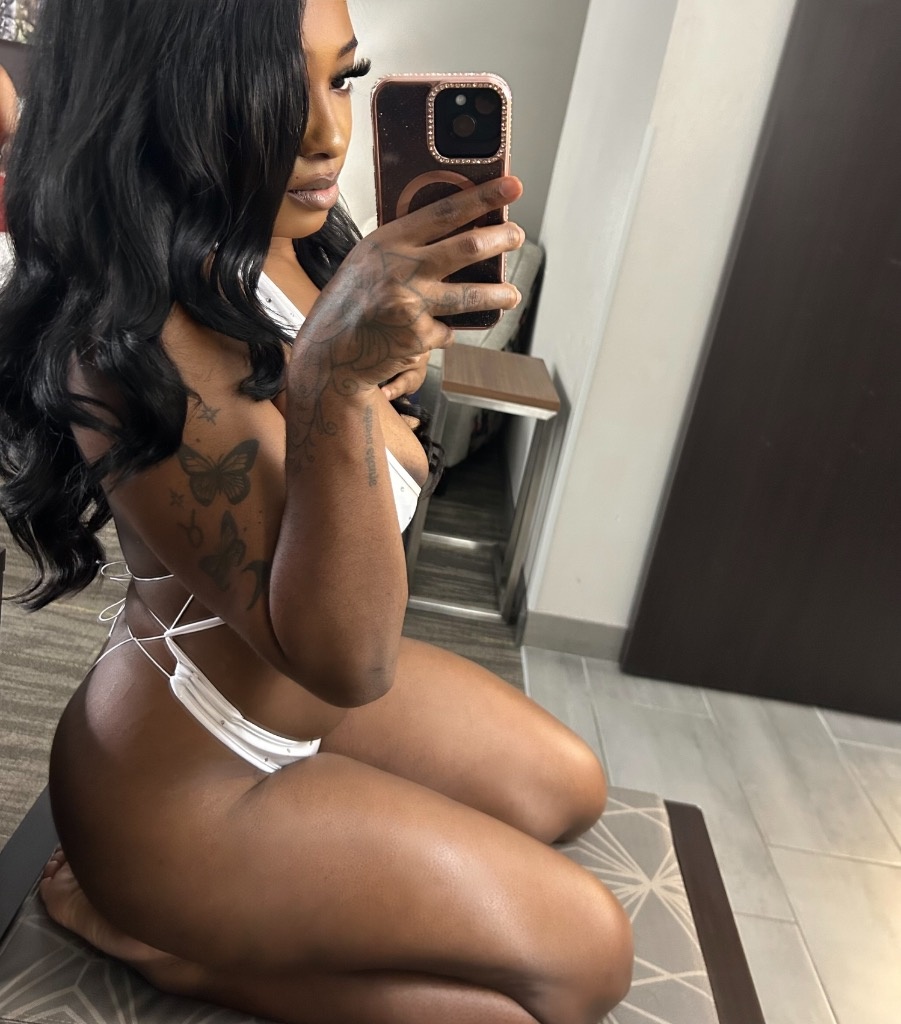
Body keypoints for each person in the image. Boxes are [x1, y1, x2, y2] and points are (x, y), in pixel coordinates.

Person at [0, 1, 633, 1022]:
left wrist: (374, 365)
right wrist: (335, 386)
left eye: (341, 78)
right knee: (582, 966)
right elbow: (349, 660)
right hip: (185, 788)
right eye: (262, 92)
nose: (328, 134)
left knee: (568, 786)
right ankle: (164, 948)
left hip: (307, 698)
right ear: (152, 99)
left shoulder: (291, 244)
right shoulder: (125, 346)